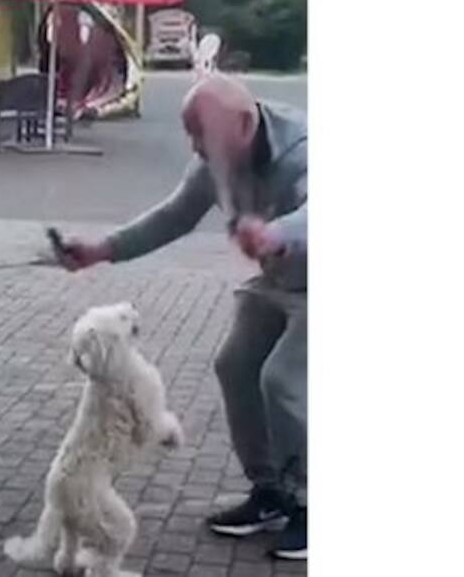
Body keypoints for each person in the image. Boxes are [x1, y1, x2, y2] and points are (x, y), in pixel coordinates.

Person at [52, 74, 308, 560]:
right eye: (189, 133)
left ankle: (309, 502)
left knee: (282, 381)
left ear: (244, 124)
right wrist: (101, 250)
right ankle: (270, 491)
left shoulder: (302, 149)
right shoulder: (216, 158)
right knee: (235, 366)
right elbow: (174, 216)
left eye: (199, 133)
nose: (193, 146)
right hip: (280, 280)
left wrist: (274, 234)